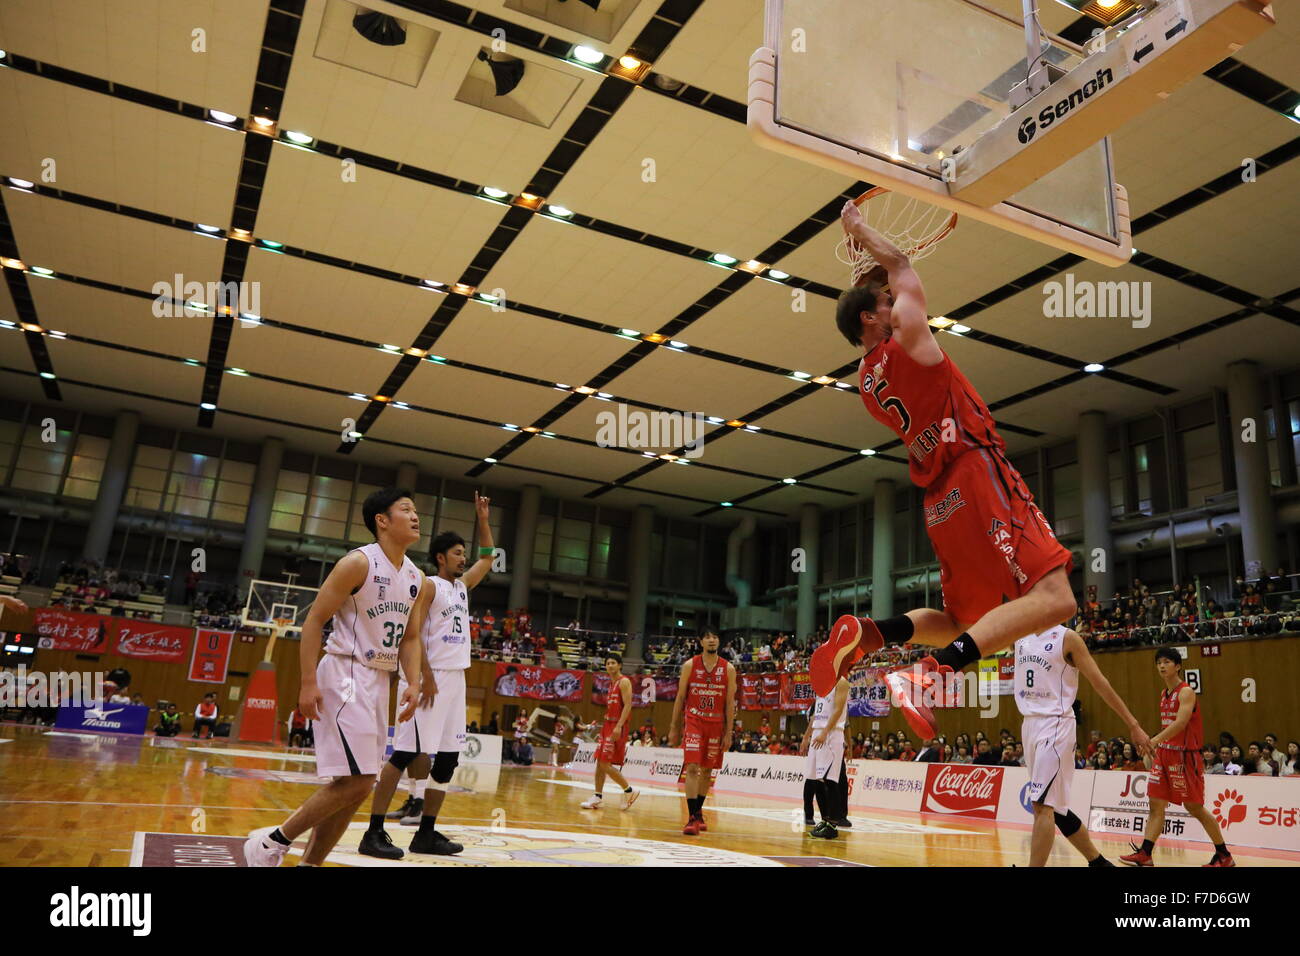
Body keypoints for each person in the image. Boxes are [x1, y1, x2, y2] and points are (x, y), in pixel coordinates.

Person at [812, 202, 1075, 736]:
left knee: (962, 624)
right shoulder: (908, 338)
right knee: (1055, 598)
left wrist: (872, 272)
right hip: (975, 471)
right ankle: (928, 676)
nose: (893, 299)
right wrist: (860, 230)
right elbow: (905, 266)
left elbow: (893, 287)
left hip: (939, 499)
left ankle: (872, 634)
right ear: (872, 317)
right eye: (885, 301)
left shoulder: (866, 382)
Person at [243, 487, 427, 868]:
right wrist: (307, 682)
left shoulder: (416, 578)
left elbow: (410, 638)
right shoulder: (357, 564)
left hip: (379, 680)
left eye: (415, 511)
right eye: (406, 509)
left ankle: (310, 864)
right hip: (345, 674)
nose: (415, 516)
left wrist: (413, 682)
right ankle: (272, 842)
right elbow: (314, 620)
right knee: (359, 781)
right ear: (382, 520)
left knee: (357, 787)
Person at [362, 492, 495, 860]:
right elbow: (413, 633)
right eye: (457, 553)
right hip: (429, 681)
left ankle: (426, 833)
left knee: (449, 760)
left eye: (463, 553)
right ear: (441, 557)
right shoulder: (429, 585)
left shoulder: (462, 587)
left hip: (458, 680)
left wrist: (483, 519)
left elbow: (489, 557)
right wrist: (426, 673)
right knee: (404, 753)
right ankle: (373, 831)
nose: (463, 558)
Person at [1015, 623, 1151, 867]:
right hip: (1029, 723)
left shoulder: (1067, 638)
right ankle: (1098, 862)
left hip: (1055, 724)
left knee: (1042, 805)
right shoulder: (1019, 633)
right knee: (1055, 809)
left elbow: (1100, 682)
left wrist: (1133, 724)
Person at [1121, 647, 1234, 868]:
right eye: (1159, 663)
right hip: (1164, 755)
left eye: (1166, 662)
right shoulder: (1164, 694)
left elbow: (1181, 724)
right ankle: (1145, 853)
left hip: (1185, 757)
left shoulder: (1186, 692)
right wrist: (1157, 745)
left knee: (1194, 807)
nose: (1162, 666)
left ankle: (1224, 854)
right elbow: (1169, 727)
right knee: (1155, 804)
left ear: (1178, 665)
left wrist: (1153, 740)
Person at [669, 628, 736, 836]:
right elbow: (680, 698)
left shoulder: (728, 669)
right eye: (707, 637)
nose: (711, 640)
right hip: (694, 721)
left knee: (707, 771)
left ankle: (698, 812)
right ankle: (690, 817)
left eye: (715, 637)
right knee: (692, 767)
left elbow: (729, 703)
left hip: (716, 724)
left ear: (719, 642)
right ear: (700, 642)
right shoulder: (690, 665)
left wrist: (729, 732)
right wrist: (673, 727)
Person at [580, 654, 638, 811]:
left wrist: (618, 726)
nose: (610, 665)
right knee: (599, 762)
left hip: (617, 726)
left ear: (620, 665)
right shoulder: (611, 684)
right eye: (608, 663)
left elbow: (627, 706)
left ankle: (629, 791)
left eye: (613, 663)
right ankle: (597, 796)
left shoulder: (624, 682)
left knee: (605, 764)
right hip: (608, 724)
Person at [800, 668, 850, 839]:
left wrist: (825, 732)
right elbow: (816, 714)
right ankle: (825, 819)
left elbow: (837, 710)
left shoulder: (842, 682)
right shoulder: (822, 685)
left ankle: (833, 824)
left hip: (831, 734)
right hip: (817, 733)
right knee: (816, 780)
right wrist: (806, 736)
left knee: (830, 780)